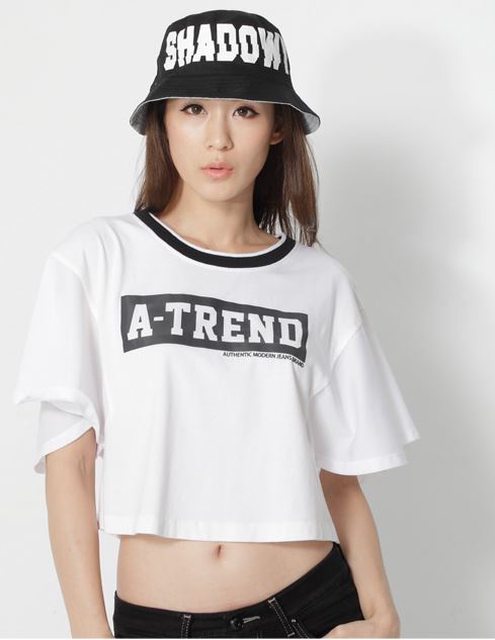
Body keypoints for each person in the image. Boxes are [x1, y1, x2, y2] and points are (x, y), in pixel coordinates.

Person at [13, 9, 421, 639]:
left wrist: (384, 618)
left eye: (246, 111)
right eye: (194, 109)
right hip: (157, 622)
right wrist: (89, 632)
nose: (219, 139)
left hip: (309, 612)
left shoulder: (320, 282)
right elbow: (72, 465)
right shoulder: (96, 259)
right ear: (163, 122)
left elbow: (340, 479)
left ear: (278, 128)